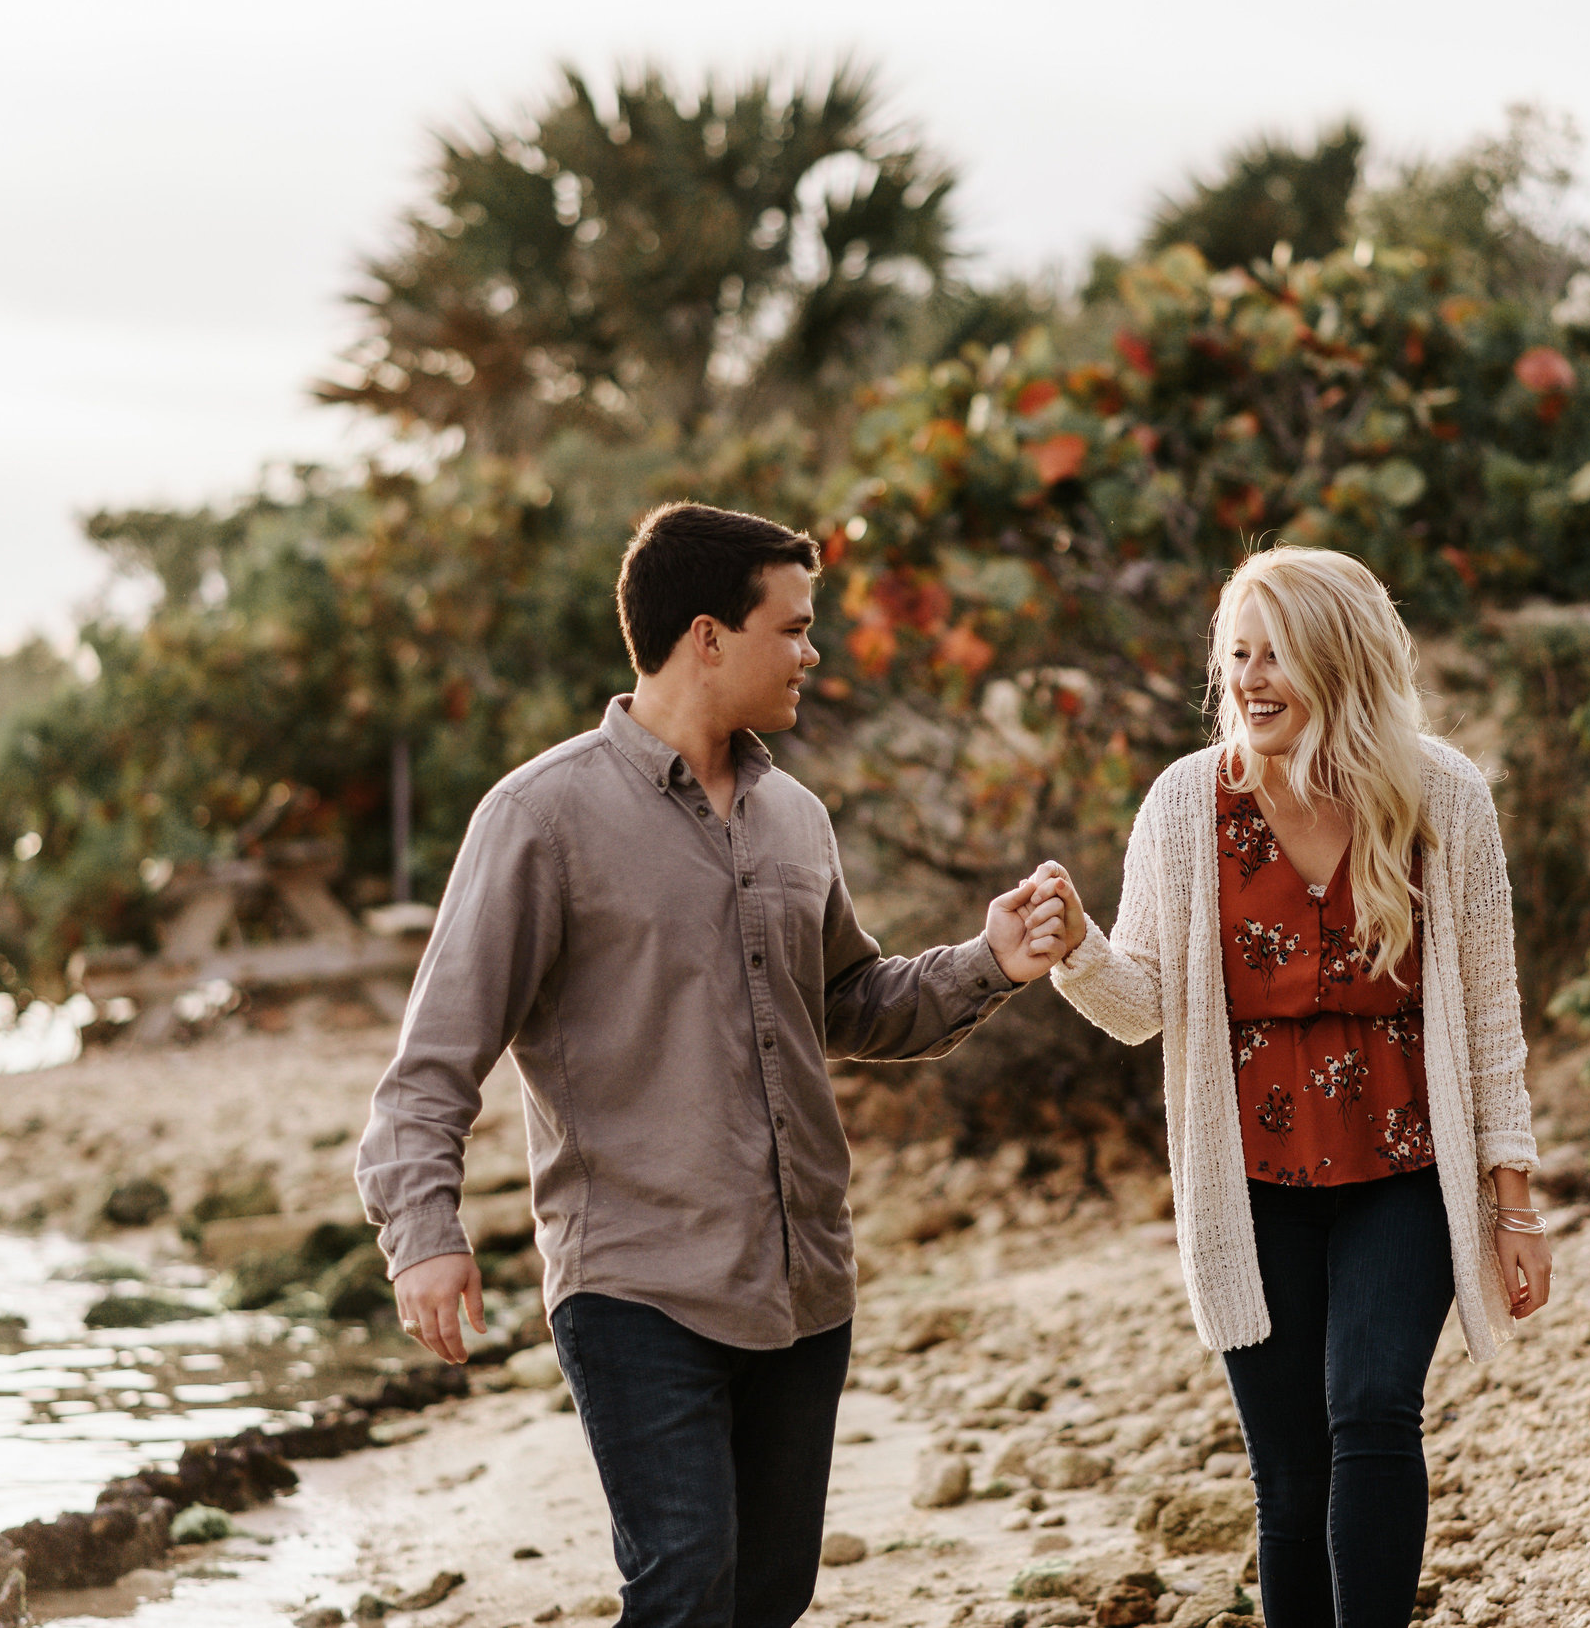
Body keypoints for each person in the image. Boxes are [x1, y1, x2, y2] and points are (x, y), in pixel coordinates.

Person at [354, 502, 1073, 1628]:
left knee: (768, 1595)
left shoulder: (795, 818)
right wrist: (424, 1235)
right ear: (706, 635)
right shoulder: (539, 817)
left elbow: (847, 1001)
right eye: (790, 626)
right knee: (685, 1581)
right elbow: (434, 1059)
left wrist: (990, 960)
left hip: (802, 1279)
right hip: (635, 1280)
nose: (810, 649)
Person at [1027, 545, 1549, 1628]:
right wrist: (1076, 946)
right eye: (1238, 656)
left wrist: (1514, 1203)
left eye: (1279, 655)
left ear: (1342, 663)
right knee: (1288, 1469)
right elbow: (1142, 1003)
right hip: (1250, 1178)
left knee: (1370, 1408)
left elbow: (1493, 1019)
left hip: (1403, 1168)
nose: (1251, 680)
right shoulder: (1186, 806)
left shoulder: (1443, 796)